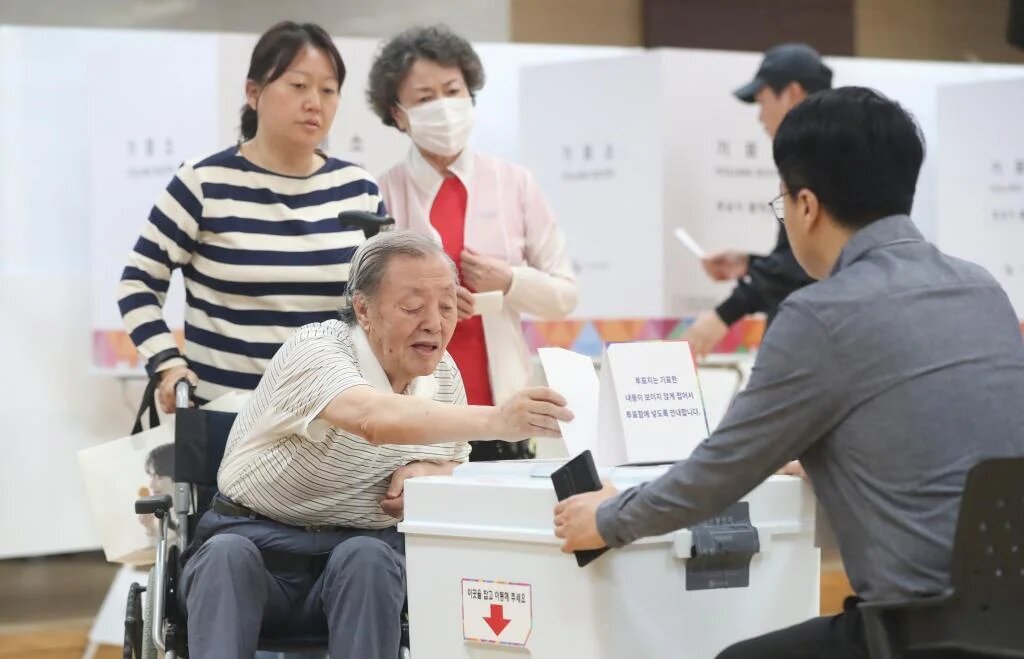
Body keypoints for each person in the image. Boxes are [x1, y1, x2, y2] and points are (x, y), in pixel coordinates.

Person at [553, 87, 1024, 659]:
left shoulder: (821, 314)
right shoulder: (981, 288)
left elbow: (719, 473)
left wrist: (606, 519)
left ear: (806, 205)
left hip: (917, 628)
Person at [180, 231, 572, 659]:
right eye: (412, 307)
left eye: (446, 306)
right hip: (255, 547)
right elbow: (370, 418)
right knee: (227, 557)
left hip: (356, 563)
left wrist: (432, 474)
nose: (434, 324)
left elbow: (455, 467)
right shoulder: (317, 349)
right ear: (363, 309)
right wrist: (497, 420)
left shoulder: (443, 376)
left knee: (369, 557)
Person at [117, 21, 386, 411]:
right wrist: (167, 363)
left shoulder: (358, 188)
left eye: (328, 90)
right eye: (298, 85)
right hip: (225, 418)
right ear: (253, 92)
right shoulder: (203, 183)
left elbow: (377, 304)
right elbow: (138, 283)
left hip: (332, 421)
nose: (315, 101)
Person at [368, 25, 578, 461]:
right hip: (415, 421)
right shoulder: (380, 193)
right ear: (399, 113)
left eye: (453, 90)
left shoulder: (514, 183)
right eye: (425, 98)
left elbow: (564, 296)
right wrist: (426, 303)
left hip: (505, 412)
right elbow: (363, 311)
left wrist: (509, 282)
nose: (444, 107)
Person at [682, 43, 827, 358]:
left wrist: (725, 313)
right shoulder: (829, 153)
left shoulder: (817, 160)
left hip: (814, 340)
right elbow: (802, 261)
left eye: (762, 101)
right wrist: (749, 263)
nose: (760, 117)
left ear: (791, 93)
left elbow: (804, 266)